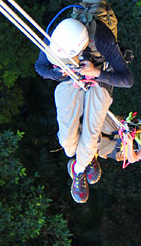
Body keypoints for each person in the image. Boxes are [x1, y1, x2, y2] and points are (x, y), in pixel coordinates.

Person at [35, 14, 133, 204]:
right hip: (70, 81)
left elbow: (127, 80)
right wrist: (58, 73)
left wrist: (96, 72)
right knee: (67, 145)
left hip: (99, 83)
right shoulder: (55, 35)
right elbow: (40, 67)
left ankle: (79, 168)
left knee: (89, 143)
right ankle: (83, 159)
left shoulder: (102, 40)